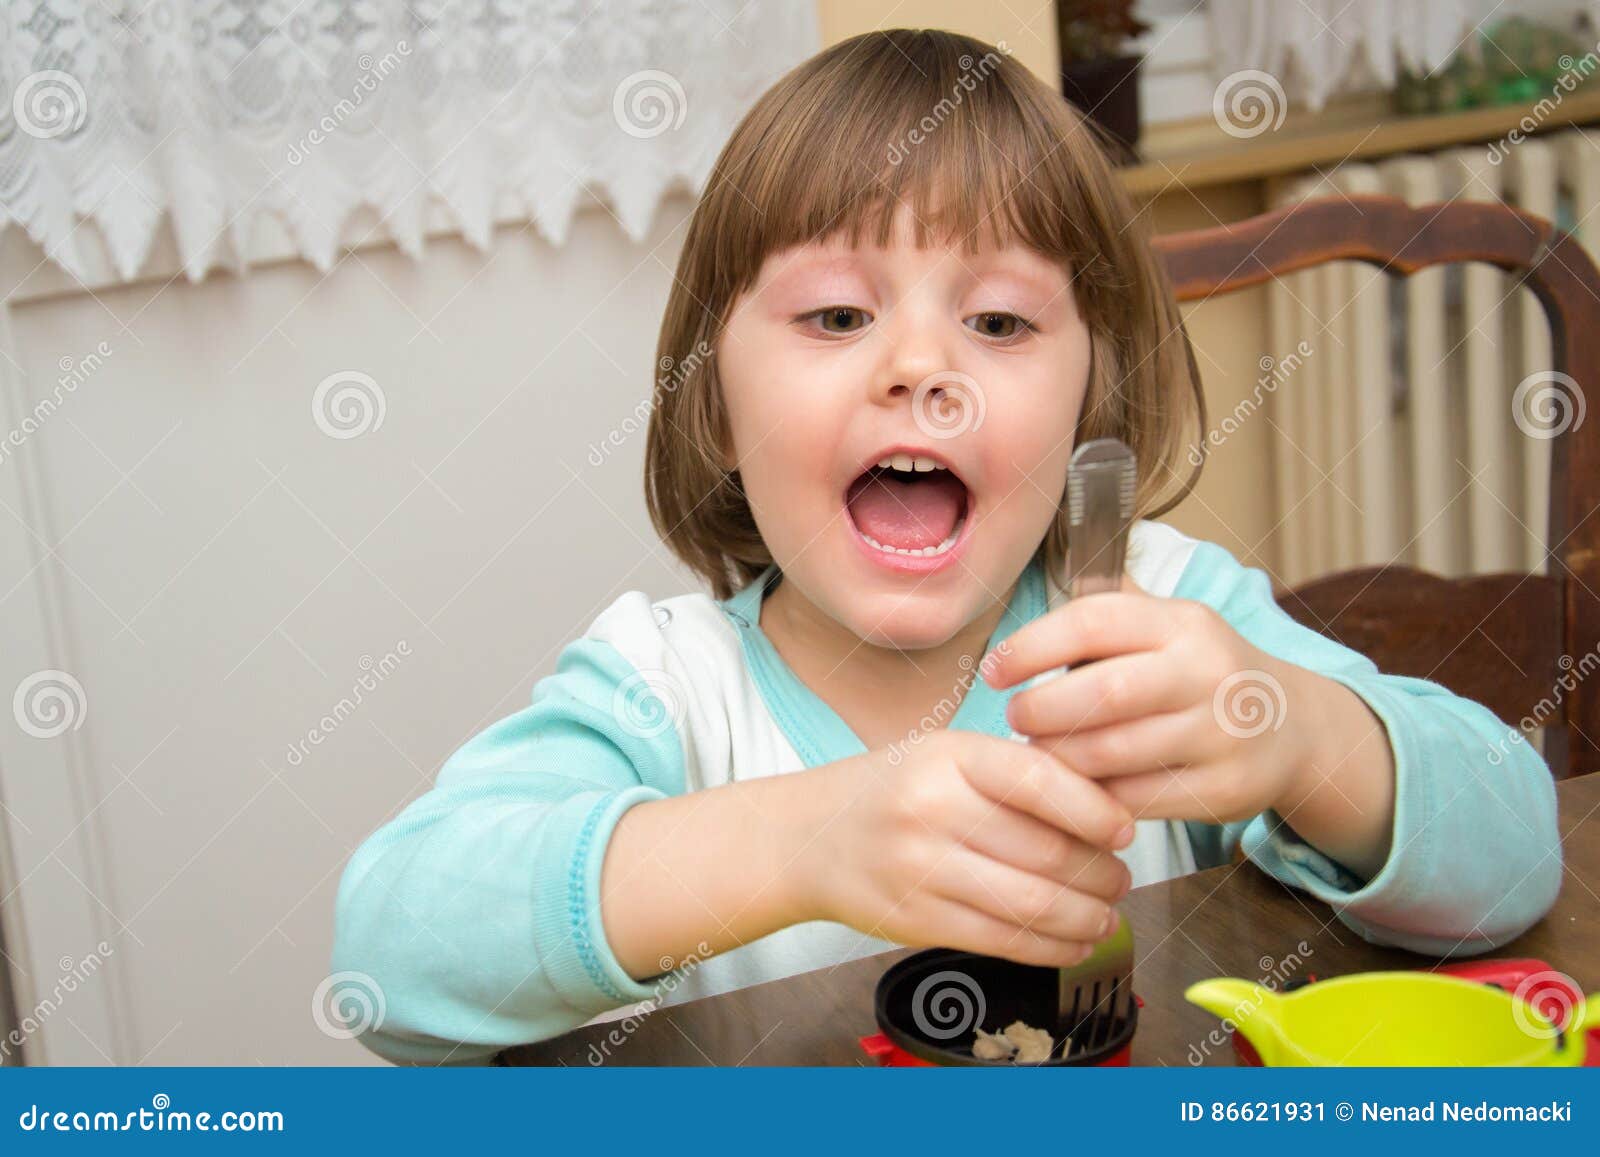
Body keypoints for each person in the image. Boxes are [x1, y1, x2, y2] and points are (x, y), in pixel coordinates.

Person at [331, 29, 1561, 1065]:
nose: (920, 366)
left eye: (997, 319)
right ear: (711, 399)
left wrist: (1298, 734)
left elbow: (1513, 861)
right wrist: (799, 843)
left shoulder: (1163, 617)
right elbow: (388, 959)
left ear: (1090, 401)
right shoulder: (668, 691)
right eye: (836, 313)